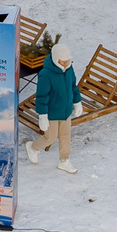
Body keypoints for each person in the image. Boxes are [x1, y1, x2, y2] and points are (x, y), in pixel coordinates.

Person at [30, 42, 79, 171]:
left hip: (66, 110)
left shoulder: (69, 69)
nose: (65, 63)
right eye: (62, 60)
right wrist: (42, 115)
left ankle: (64, 160)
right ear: (56, 58)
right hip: (51, 112)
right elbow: (42, 96)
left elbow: (73, 86)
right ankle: (33, 147)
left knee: (65, 135)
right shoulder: (46, 74)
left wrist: (77, 102)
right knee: (50, 137)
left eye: (67, 60)